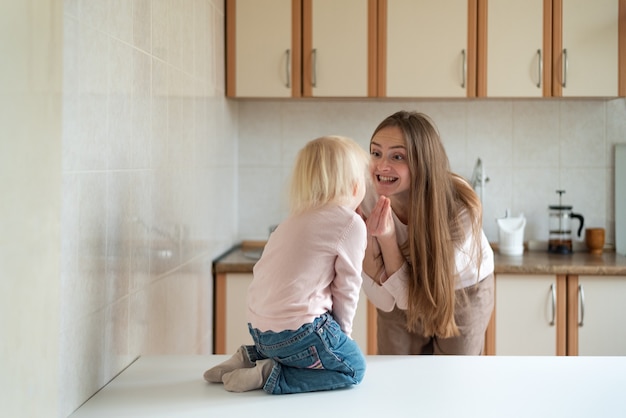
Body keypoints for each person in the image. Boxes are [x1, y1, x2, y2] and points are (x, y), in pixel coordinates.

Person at [204, 135, 369, 393]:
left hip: (261, 333)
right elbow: (347, 287)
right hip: (299, 335)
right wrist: (342, 338)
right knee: (353, 367)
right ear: (355, 184)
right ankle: (271, 375)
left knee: (300, 342)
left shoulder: (293, 219)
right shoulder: (350, 223)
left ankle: (250, 358)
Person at [360, 110, 494, 355]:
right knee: (396, 378)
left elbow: (423, 292)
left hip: (459, 293)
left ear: (423, 162)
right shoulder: (364, 199)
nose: (381, 166)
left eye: (397, 156)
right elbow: (384, 300)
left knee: (452, 379)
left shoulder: (459, 205)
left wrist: (387, 240)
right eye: (376, 153)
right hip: (398, 292)